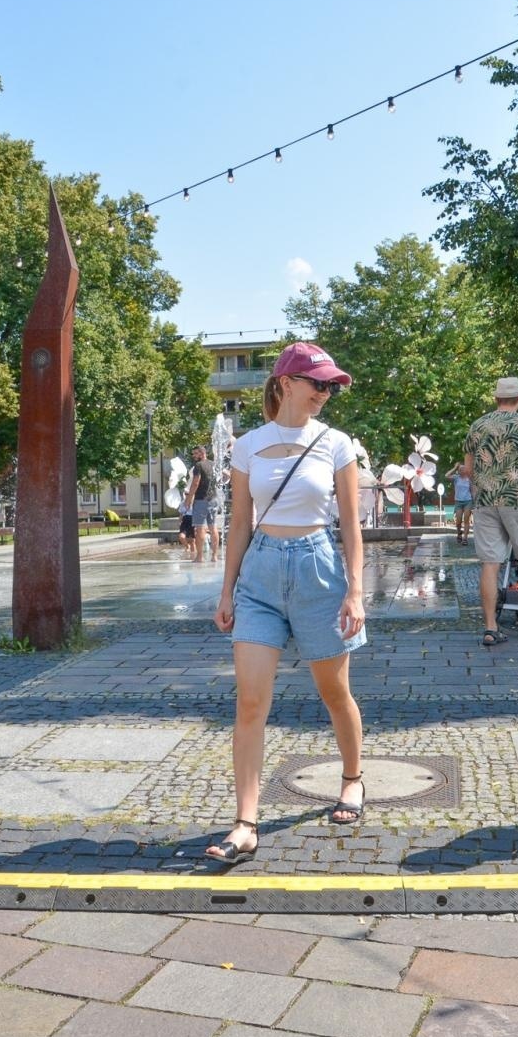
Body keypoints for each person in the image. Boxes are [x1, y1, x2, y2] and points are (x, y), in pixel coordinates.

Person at [208, 342, 367, 865]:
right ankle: (245, 823)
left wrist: (356, 591)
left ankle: (351, 780)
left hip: (319, 570)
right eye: (318, 383)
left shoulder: (336, 443)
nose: (325, 393)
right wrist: (228, 589)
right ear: (286, 383)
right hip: (261, 575)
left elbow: (350, 525)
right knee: (251, 703)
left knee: (334, 692)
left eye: (330, 386)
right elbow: (238, 525)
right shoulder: (247, 446)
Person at [465, 376, 518, 646]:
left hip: (486, 501)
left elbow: (467, 470)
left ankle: (491, 628)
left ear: (496, 399)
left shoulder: (477, 426)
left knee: (490, 563)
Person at [186, 444, 220, 564]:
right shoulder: (213, 464)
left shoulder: (198, 466)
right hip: (214, 499)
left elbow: (195, 483)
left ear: (201, 453)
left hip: (201, 499)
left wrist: (188, 498)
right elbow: (225, 475)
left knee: (200, 528)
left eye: (195, 453)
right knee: (213, 527)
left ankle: (199, 557)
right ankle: (214, 556)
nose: (193, 456)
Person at [444, 460, 473, 545]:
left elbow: (472, 491)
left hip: (468, 501)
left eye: (463, 469)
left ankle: (465, 539)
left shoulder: (469, 480)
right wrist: (455, 467)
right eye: (460, 469)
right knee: (458, 521)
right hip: (458, 502)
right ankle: (459, 533)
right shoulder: (456, 478)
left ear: (466, 470)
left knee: (466, 520)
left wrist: (474, 502)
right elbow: (446, 475)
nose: (461, 470)